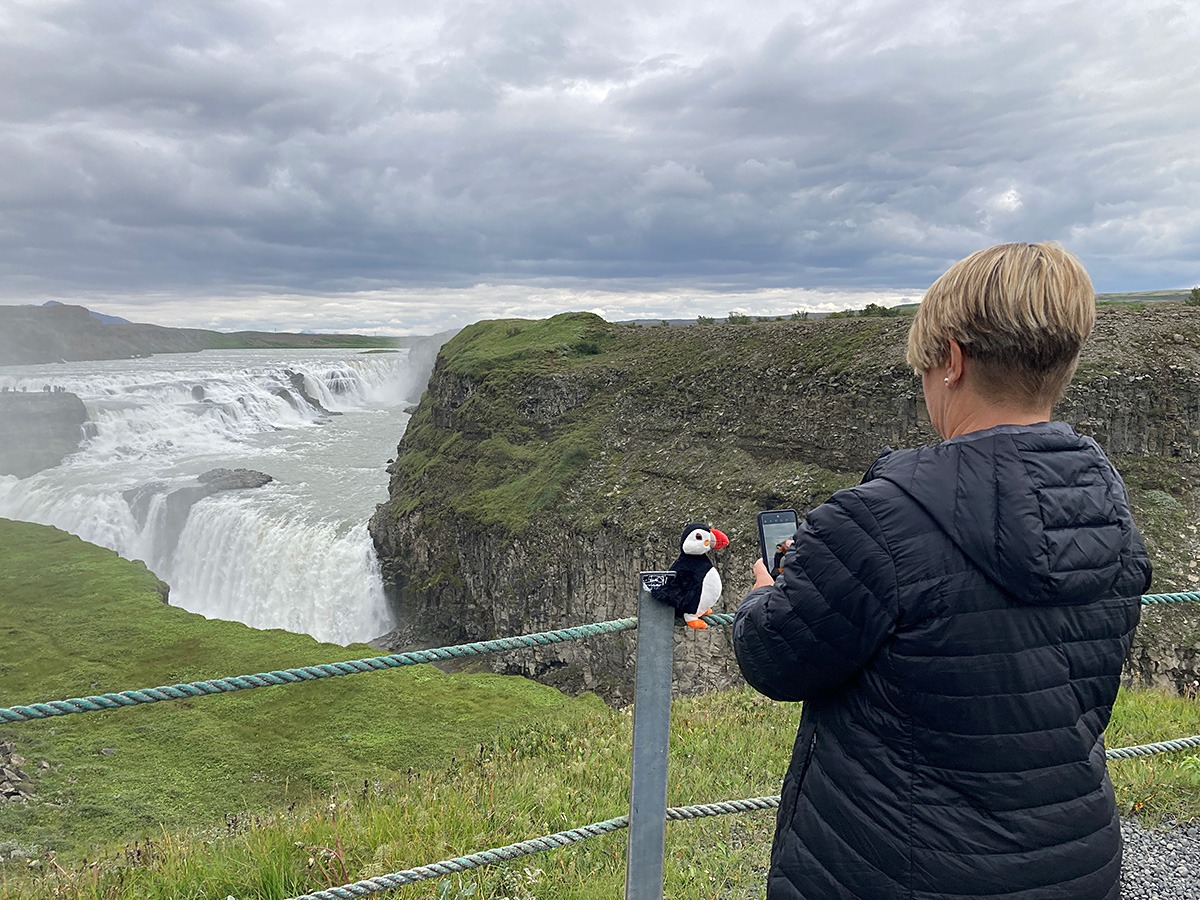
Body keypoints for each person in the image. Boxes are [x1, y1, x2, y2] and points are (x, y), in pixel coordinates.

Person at [733, 241, 1152, 899]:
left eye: (925, 368)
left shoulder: (876, 522)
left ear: (952, 360)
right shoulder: (1108, 512)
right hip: (1072, 864)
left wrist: (765, 597)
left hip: (900, 872)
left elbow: (776, 659)